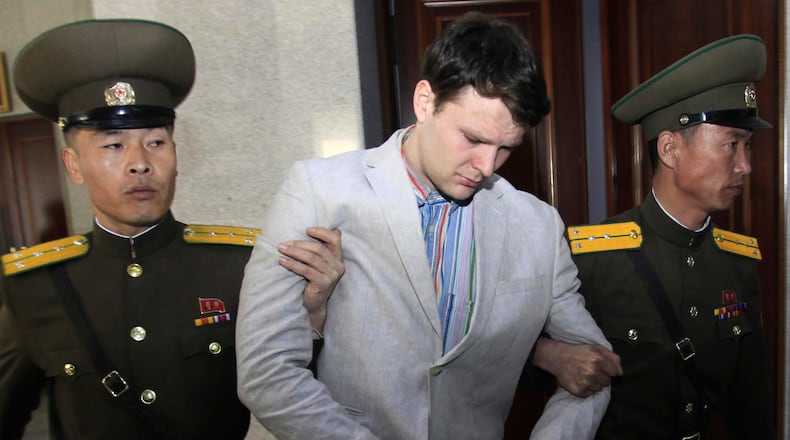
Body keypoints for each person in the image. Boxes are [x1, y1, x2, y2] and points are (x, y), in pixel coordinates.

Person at [236, 12, 615, 440]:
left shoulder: (539, 226)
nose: (487, 167)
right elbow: (266, 370)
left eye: (506, 148)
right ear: (425, 102)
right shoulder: (319, 190)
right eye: (473, 139)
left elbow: (595, 364)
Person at [0, 19, 344, 439]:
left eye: (156, 142)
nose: (140, 162)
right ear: (73, 165)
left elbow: (298, 392)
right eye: (113, 145)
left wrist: (313, 317)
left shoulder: (238, 265)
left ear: (176, 156)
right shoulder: (34, 285)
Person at [534, 34, 777, 439]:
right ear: (669, 148)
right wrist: (547, 355)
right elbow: (500, 357)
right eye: (731, 145)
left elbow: (749, 404)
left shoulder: (738, 262)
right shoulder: (590, 258)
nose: (745, 166)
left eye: (747, 146)